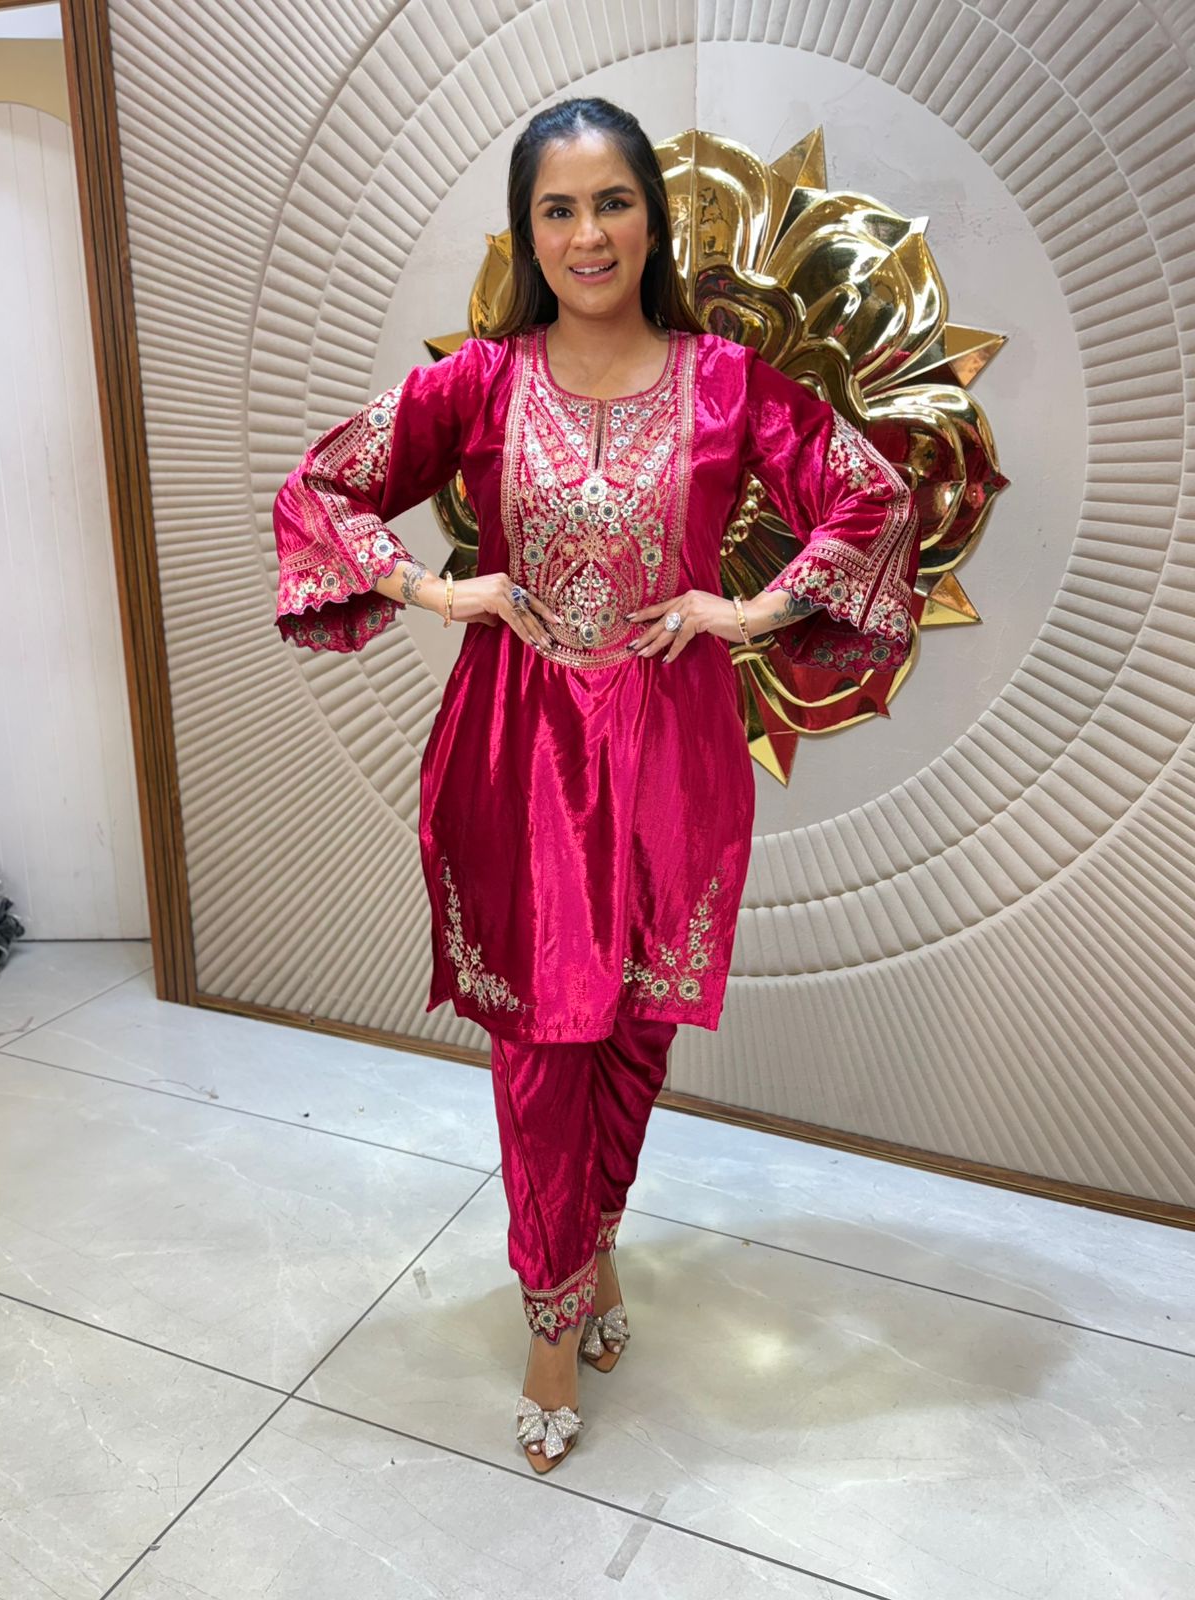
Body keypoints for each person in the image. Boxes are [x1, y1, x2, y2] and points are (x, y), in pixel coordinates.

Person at [272, 96, 919, 1473]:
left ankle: (592, 1243)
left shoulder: (728, 384)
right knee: (543, 1044)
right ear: (528, 233)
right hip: (518, 753)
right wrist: (437, 588)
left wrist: (750, 611)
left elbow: (873, 496)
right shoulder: (480, 383)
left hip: (672, 750)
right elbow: (320, 488)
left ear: (651, 218)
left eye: (612, 201)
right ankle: (551, 1321)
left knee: (632, 1032)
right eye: (556, 209)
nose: (587, 234)